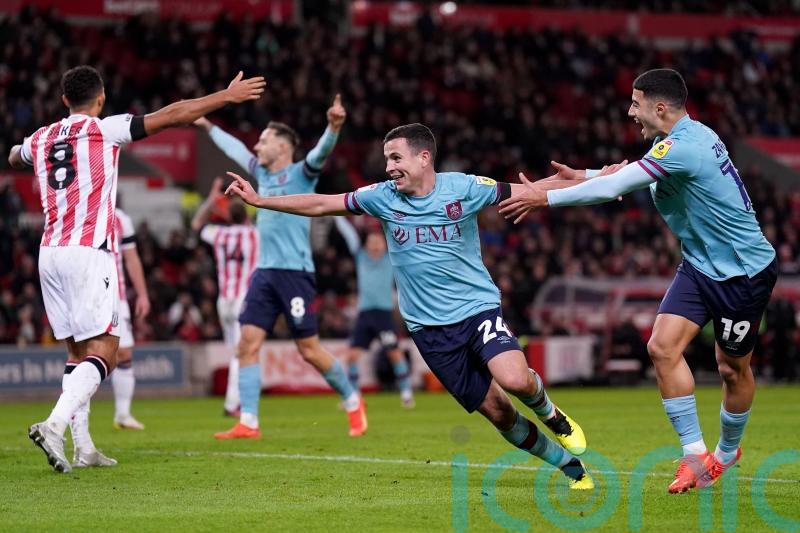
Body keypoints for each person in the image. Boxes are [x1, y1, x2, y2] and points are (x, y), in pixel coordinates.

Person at [225, 123, 595, 489]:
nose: (389, 167)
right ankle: (568, 465)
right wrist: (261, 201)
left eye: (396, 158)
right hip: (428, 330)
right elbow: (323, 203)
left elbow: (530, 190)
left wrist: (596, 179)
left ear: (423, 158)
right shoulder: (381, 197)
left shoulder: (464, 188)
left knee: (514, 379)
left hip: (476, 309)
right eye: (387, 159)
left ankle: (552, 414)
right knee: (499, 413)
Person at [499, 68, 778, 493]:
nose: (630, 112)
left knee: (732, 368)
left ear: (659, 107)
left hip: (744, 273)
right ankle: (693, 456)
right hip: (700, 265)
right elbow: (625, 175)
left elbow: (616, 187)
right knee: (661, 348)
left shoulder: (686, 147)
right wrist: (584, 175)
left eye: (635, 103)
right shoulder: (680, 141)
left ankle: (725, 453)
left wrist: (546, 197)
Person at [8, 65, 265, 472]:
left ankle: (83, 447)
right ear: (101, 98)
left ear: (63, 100)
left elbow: (14, 155)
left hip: (49, 252)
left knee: (77, 353)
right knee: (106, 352)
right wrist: (225, 97)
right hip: (87, 251)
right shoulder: (104, 129)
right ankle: (54, 426)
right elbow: (174, 114)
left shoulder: (41, 137)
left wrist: (27, 154)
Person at [195, 94, 368, 439]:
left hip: (295, 274)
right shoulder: (261, 173)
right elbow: (234, 147)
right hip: (264, 273)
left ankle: (352, 400)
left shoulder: (301, 174)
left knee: (309, 350)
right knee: (247, 343)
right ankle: (249, 422)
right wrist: (205, 124)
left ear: (283, 146)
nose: (256, 145)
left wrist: (333, 128)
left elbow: (320, 153)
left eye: (264, 140)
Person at [191, 177, 259, 416]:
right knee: (243, 352)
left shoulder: (219, 234)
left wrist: (211, 200)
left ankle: (235, 400)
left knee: (237, 352)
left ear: (229, 216)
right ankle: (232, 404)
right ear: (247, 215)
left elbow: (196, 224)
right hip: (243, 299)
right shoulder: (255, 235)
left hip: (224, 301)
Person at [333, 216, 414, 407]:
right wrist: (337, 217)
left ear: (385, 245)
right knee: (352, 356)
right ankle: (353, 396)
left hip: (383, 314)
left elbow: (402, 238)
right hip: (364, 314)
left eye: (379, 242)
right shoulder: (360, 257)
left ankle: (406, 393)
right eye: (372, 242)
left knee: (394, 354)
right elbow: (350, 236)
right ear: (367, 245)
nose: (376, 246)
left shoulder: (391, 259)